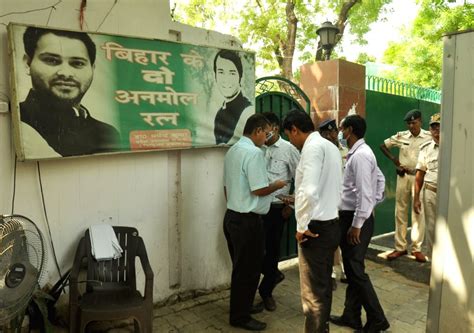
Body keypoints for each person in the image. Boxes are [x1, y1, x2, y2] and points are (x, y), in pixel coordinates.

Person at [223, 113, 287, 331]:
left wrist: (238, 202)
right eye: (266, 133)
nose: (267, 138)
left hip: (232, 217)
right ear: (258, 131)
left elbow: (227, 188)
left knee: (242, 269)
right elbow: (258, 189)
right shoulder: (254, 153)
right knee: (248, 271)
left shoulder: (233, 150)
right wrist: (277, 185)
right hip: (247, 222)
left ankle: (242, 308)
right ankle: (240, 317)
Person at [282, 110, 342, 333]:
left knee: (312, 295)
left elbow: (308, 191)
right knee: (323, 287)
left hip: (314, 229)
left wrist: (301, 226)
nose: (290, 140)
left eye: (289, 135)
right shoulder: (330, 147)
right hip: (330, 223)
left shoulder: (312, 149)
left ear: (295, 129)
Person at [20, 26, 120, 157]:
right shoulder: (17, 121)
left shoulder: (107, 133)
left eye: (77, 63)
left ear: (92, 69)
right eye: (51, 60)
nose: (65, 73)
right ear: (27, 63)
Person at [330, 115, 389, 333]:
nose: (339, 133)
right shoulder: (359, 154)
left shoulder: (361, 156)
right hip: (356, 216)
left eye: (341, 128)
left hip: (355, 219)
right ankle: (351, 315)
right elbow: (380, 181)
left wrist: (358, 223)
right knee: (355, 268)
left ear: (349, 130)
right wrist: (372, 204)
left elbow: (365, 191)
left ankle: (377, 319)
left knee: (355, 270)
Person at [257, 112, 300, 312]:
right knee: (257, 251)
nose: (263, 132)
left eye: (265, 128)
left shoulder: (288, 150)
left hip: (277, 208)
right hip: (257, 206)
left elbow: (301, 179)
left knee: (272, 250)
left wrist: (290, 206)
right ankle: (273, 274)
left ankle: (266, 293)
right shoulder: (257, 148)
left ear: (274, 127)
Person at [380, 109, 432, 262]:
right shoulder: (401, 136)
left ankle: (417, 249)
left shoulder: (428, 137)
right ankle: (400, 247)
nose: (411, 126)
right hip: (403, 177)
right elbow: (383, 146)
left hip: (419, 177)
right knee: (400, 211)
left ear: (420, 122)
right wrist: (395, 160)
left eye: (414, 122)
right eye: (409, 123)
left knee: (418, 212)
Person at [318, 118, 348, 290]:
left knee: (341, 239)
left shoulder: (346, 151)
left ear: (337, 132)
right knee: (329, 241)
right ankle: (328, 274)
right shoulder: (320, 152)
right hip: (328, 201)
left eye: (333, 132)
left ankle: (343, 271)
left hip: (344, 202)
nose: (330, 136)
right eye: (326, 134)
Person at [414, 113, 440, 259]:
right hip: (430, 193)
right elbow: (420, 175)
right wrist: (416, 198)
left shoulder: (453, 147)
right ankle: (433, 263)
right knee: (431, 228)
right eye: (433, 127)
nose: (436, 130)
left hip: (448, 195)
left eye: (439, 126)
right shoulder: (426, 149)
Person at [213, 49, 253, 145]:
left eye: (232, 73)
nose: (226, 79)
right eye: (221, 72)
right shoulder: (219, 112)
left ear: (240, 77)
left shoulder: (248, 110)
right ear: (215, 76)